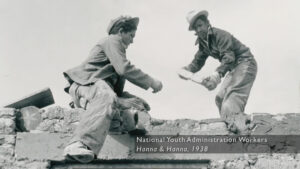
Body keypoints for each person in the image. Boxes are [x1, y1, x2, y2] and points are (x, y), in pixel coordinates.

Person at [63, 15, 163, 163]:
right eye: (131, 35)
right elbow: (124, 68)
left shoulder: (115, 58)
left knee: (129, 106)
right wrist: (151, 82)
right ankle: (79, 143)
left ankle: (122, 123)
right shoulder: (112, 40)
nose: (132, 40)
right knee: (106, 96)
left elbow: (118, 92)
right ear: (121, 31)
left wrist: (134, 100)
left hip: (98, 88)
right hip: (85, 84)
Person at [178, 10, 257, 132]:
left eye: (200, 25)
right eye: (195, 28)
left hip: (245, 62)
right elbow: (198, 61)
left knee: (231, 100)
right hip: (233, 68)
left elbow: (229, 57)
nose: (198, 30)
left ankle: (243, 133)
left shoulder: (220, 35)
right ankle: (231, 129)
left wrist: (216, 75)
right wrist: (186, 70)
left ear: (207, 23)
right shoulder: (204, 43)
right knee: (220, 99)